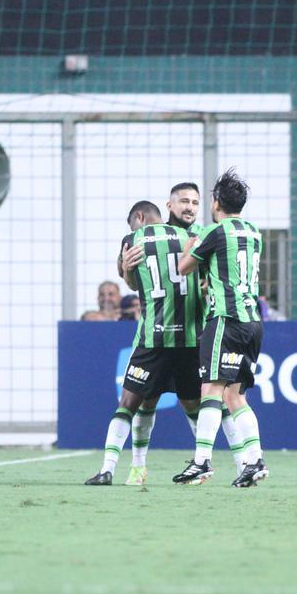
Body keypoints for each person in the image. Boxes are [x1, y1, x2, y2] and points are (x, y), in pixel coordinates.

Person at [84, 201, 208, 487]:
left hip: (153, 338)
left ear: (139, 217)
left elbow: (130, 280)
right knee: (193, 406)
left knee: (130, 405)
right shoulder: (188, 238)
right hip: (189, 339)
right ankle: (203, 464)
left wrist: (126, 269)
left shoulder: (132, 240)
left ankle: (113, 469)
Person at [174, 169, 268, 487]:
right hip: (253, 321)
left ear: (216, 203)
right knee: (235, 395)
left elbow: (183, 267)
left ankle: (201, 462)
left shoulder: (216, 232)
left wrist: (196, 241)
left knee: (210, 391)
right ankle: (254, 461)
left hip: (225, 319)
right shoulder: (255, 232)